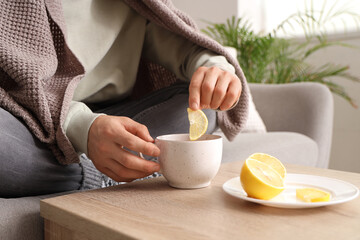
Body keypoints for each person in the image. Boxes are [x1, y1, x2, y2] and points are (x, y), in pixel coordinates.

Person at [0, 0, 247, 197]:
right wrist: (83, 127)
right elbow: (14, 81)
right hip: (30, 122)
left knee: (204, 107)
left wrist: (215, 71)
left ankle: (113, 162)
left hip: (119, 114)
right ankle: (105, 172)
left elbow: (180, 43)